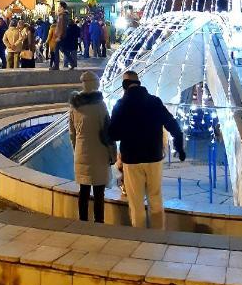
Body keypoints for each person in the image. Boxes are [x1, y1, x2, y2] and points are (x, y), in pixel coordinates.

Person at [108, 70, 185, 229]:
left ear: (124, 86)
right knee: (155, 199)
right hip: (154, 158)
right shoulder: (154, 101)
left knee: (136, 202)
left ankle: (140, 237)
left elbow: (113, 134)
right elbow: (172, 124)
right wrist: (179, 146)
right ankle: (158, 235)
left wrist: (126, 129)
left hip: (132, 160)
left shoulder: (121, 105)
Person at [69, 71, 117, 222]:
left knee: (83, 191)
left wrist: (76, 150)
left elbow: (72, 134)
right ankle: (99, 223)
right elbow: (108, 132)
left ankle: (83, 221)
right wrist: (113, 155)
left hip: (81, 152)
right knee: (98, 193)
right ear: (94, 84)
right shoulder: (100, 106)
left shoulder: (74, 106)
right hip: (99, 154)